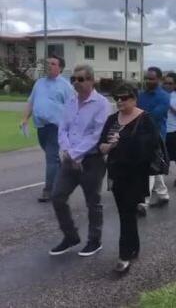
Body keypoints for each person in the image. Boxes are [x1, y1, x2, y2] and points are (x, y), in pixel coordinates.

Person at [49, 64, 111, 257]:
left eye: (81, 79)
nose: (76, 83)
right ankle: (70, 236)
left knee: (93, 201)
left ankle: (94, 240)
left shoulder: (102, 104)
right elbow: (63, 129)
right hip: (69, 160)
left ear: (92, 81)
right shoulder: (70, 101)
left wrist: (76, 154)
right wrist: (68, 152)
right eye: (74, 79)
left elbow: (96, 134)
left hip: (92, 161)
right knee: (57, 196)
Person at [99, 83, 160, 274]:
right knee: (126, 213)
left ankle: (124, 255)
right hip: (116, 172)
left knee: (127, 213)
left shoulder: (145, 119)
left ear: (134, 98)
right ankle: (133, 247)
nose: (119, 101)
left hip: (135, 174)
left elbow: (151, 147)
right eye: (116, 98)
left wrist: (123, 141)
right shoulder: (112, 119)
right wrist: (109, 147)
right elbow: (101, 145)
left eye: (124, 98)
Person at [21, 55, 74, 202]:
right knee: (53, 158)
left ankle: (49, 190)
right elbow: (31, 102)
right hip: (41, 126)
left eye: (53, 63)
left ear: (60, 68)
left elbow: (72, 108)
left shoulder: (65, 86)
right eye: (47, 63)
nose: (49, 66)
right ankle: (65, 173)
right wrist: (25, 118)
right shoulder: (39, 83)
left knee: (51, 157)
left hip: (56, 127)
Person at [137, 67, 170, 212]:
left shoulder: (164, 97)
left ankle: (143, 202)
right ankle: (163, 194)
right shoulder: (141, 95)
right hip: (141, 136)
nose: (148, 81)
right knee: (154, 166)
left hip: (157, 137)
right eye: (147, 78)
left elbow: (151, 116)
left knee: (148, 167)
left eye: (152, 78)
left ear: (159, 79)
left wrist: (137, 115)